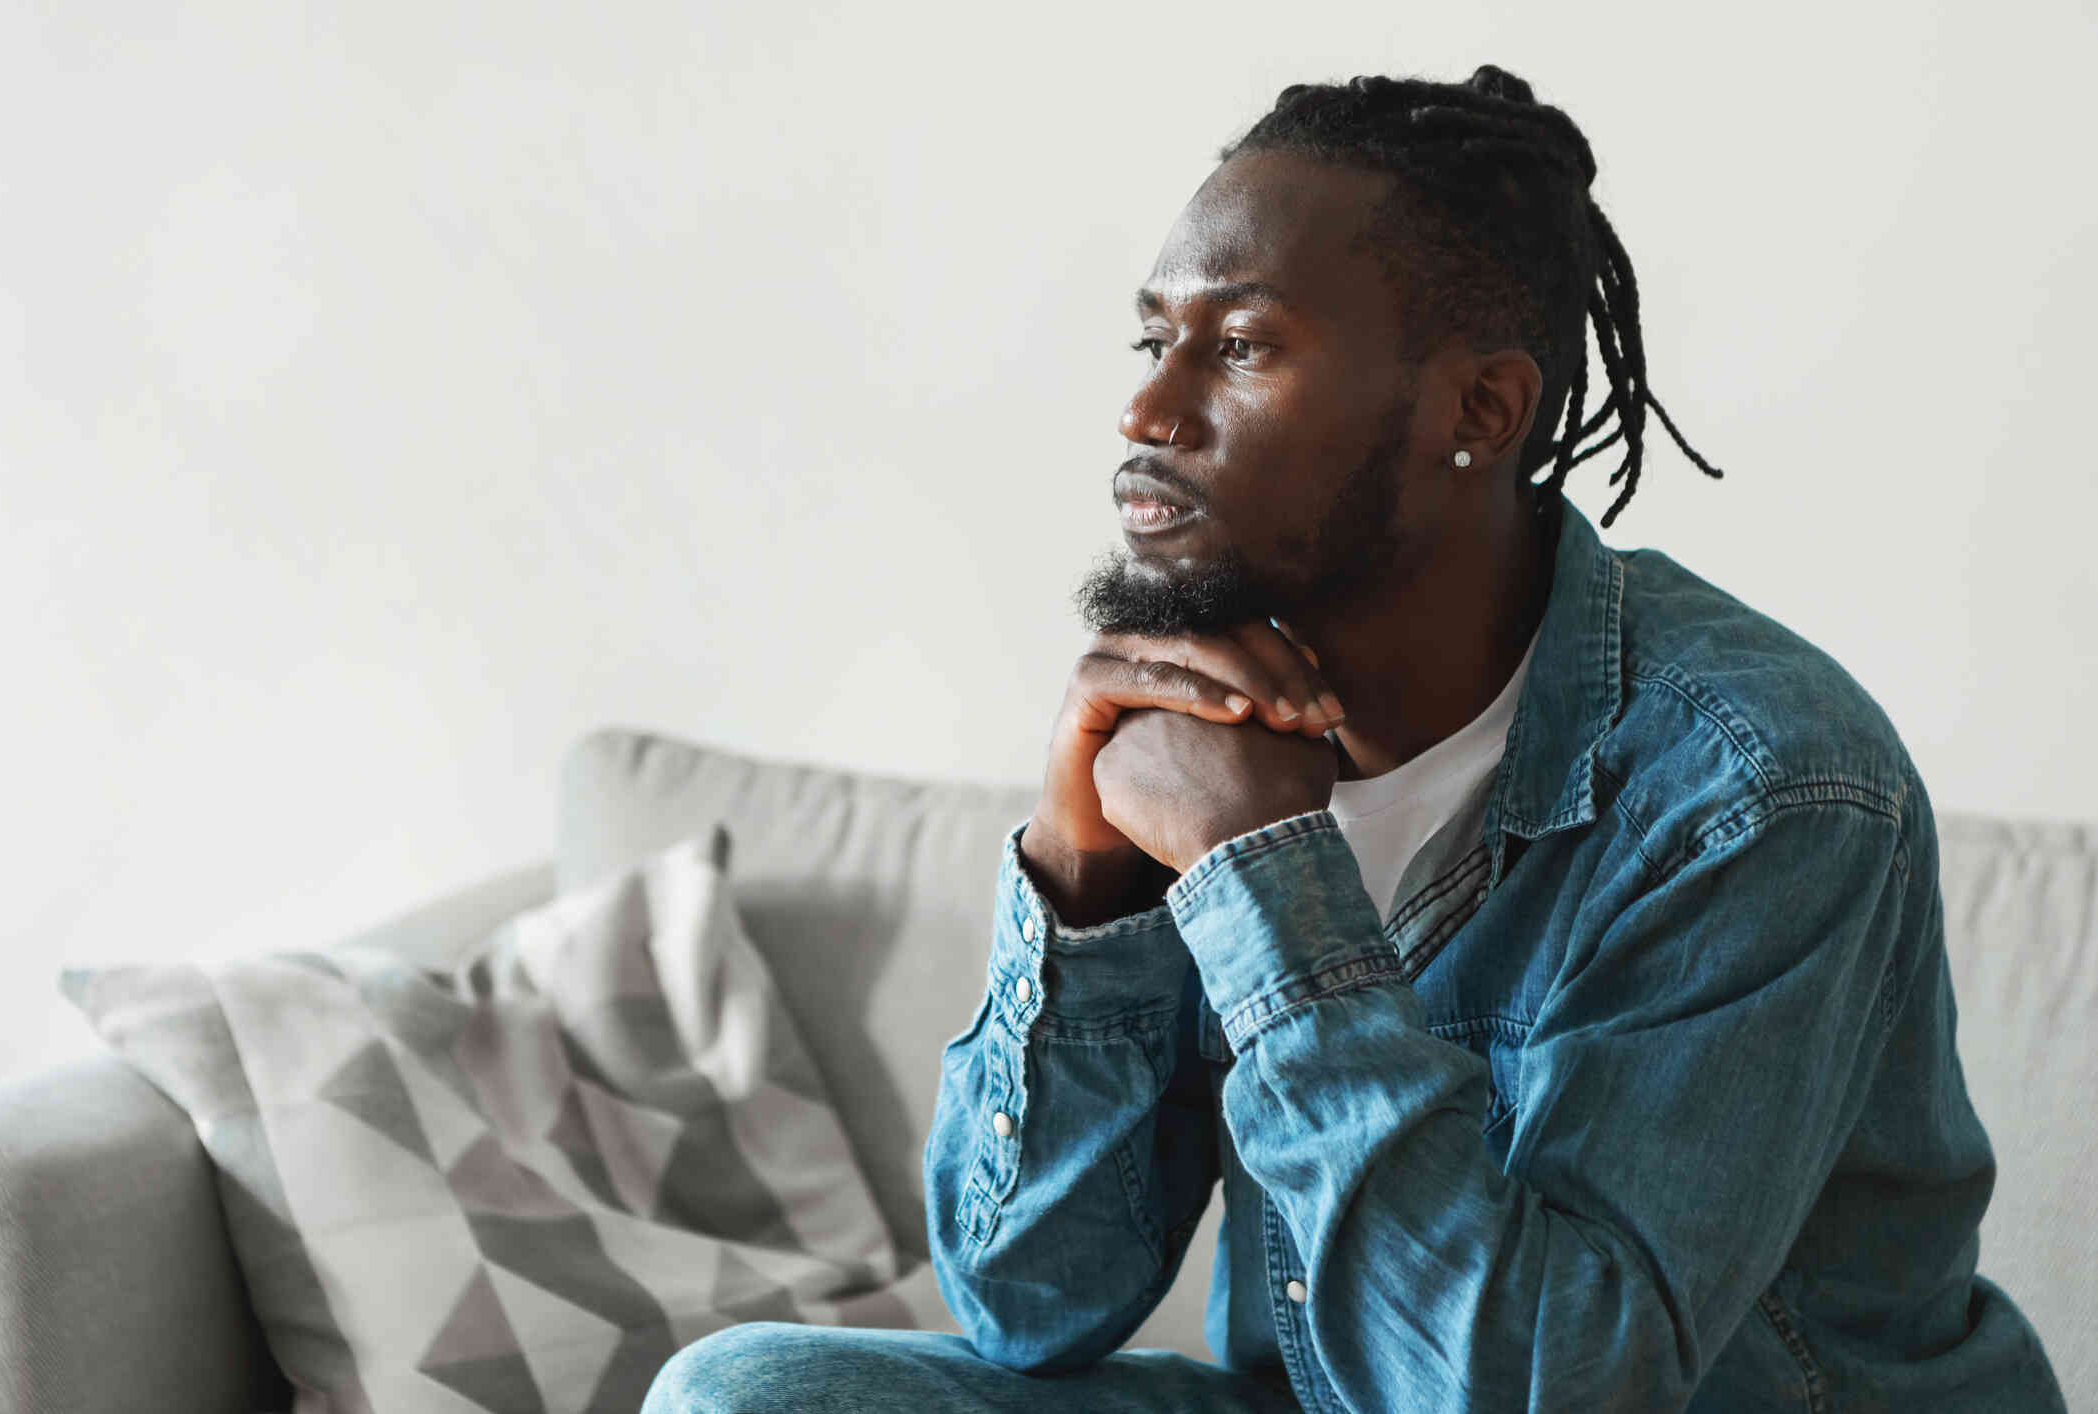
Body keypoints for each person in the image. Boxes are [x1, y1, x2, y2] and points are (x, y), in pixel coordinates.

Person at [643, 65, 2067, 1412]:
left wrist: (1258, 874)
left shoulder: (1761, 785)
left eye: (1243, 346)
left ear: (1478, 409)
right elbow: (1027, 1301)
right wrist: (1082, 873)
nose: (1145, 409)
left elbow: (1542, 1384)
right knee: (745, 1393)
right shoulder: (1195, 729)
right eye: (1154, 339)